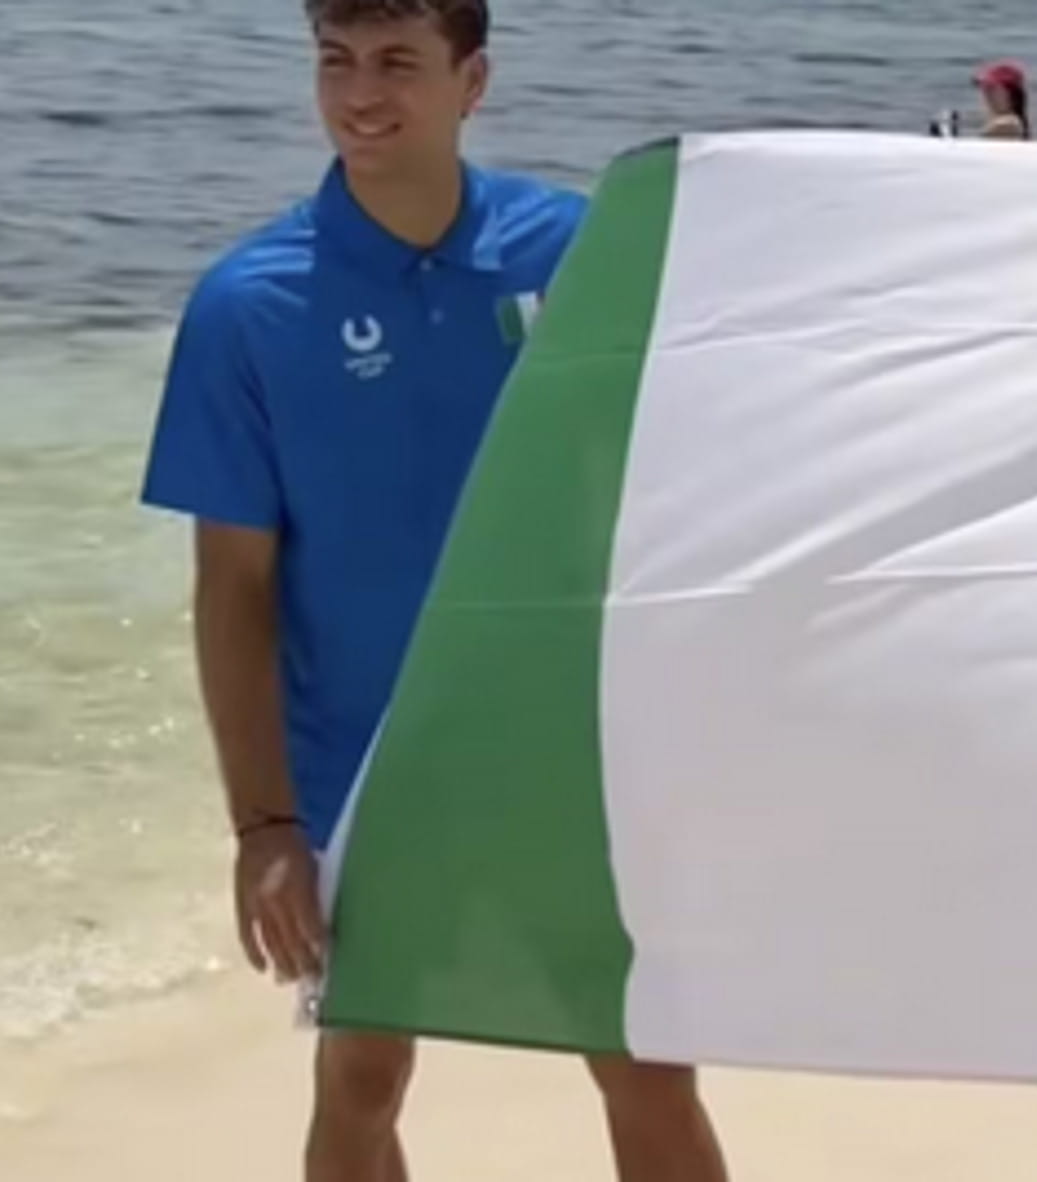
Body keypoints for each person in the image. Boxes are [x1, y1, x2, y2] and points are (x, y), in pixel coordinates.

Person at [137, 2, 731, 1180]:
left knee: (645, 1062)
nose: (362, 94)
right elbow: (233, 588)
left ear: (473, 81)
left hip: (569, 751)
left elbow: (688, 465)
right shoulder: (247, 306)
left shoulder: (579, 253)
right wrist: (264, 827)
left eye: (398, 63)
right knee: (362, 1072)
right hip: (365, 767)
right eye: (337, 62)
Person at [974, 59, 1032, 140]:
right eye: (985, 88)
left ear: (1010, 94)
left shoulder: (1004, 125)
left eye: (991, 88)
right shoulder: (1013, 121)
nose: (986, 94)